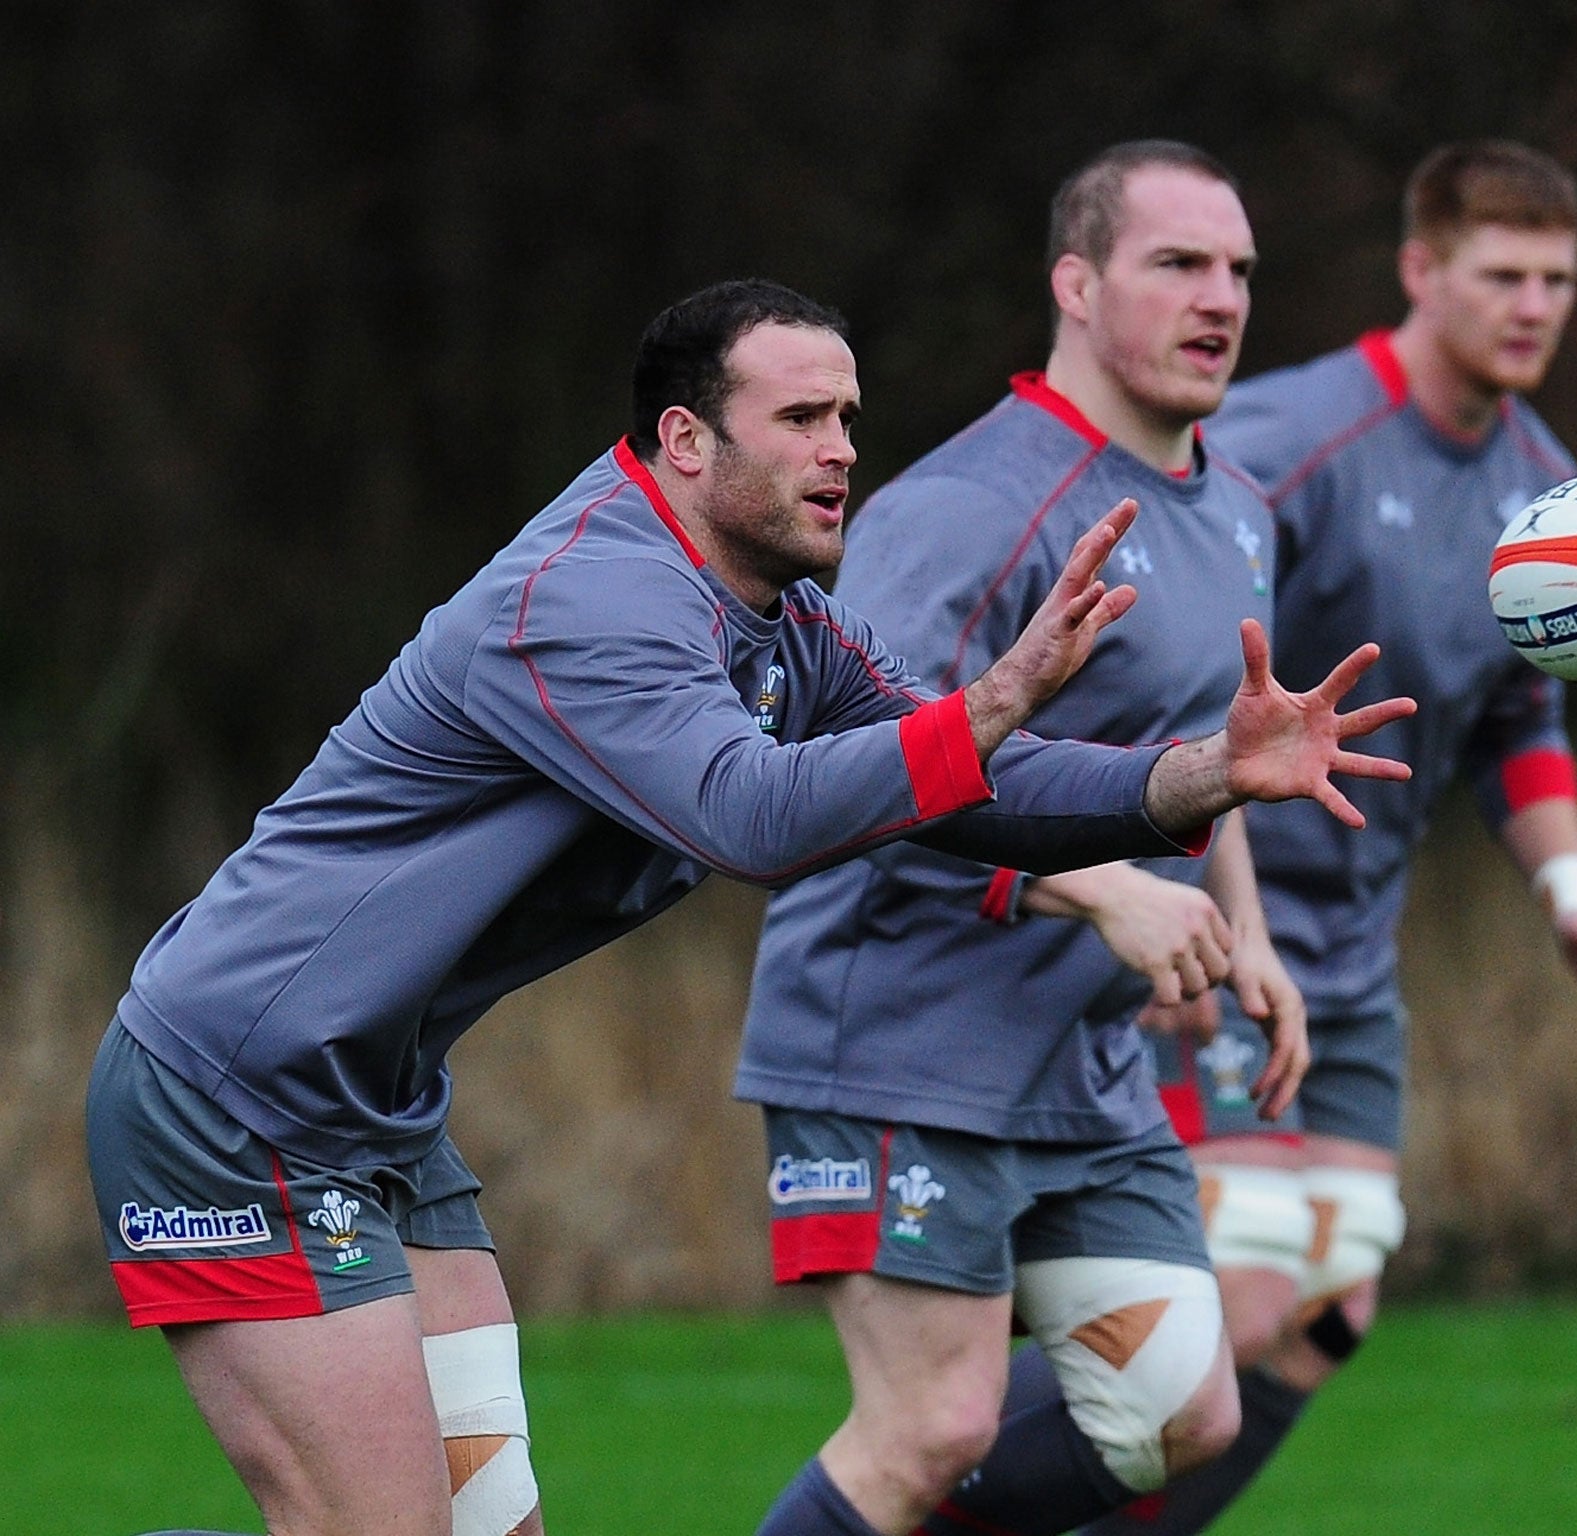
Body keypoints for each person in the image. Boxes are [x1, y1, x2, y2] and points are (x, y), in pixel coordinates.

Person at [87, 277, 1416, 1536]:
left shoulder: (781, 623)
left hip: (375, 1102)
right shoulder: (592, 599)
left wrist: (1203, 778)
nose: (840, 449)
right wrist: (996, 695)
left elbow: (966, 790)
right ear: (683, 440)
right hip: (234, 1094)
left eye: (846, 417)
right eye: (798, 420)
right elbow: (755, 818)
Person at [738, 144, 1413, 1536]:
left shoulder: (1231, 508)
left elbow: (1200, 756)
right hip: (898, 1040)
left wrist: (1251, 938)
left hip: (1079, 1064)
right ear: (1076, 283)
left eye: (1238, 270)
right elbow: (858, 773)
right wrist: (1106, 896)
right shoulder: (967, 507)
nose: (1220, 296)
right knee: (932, 1428)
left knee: (1183, 1407)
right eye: (1178, 263)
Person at [1066, 139, 1577, 1536]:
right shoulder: (1292, 437)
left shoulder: (1550, 490)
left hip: (1354, 956)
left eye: (1559, 280)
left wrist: (1576, 902)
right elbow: (1151, 637)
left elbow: (1522, 718)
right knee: (1253, 1283)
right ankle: (937, 1491)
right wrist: (1138, 889)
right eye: (1502, 274)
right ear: (1420, 271)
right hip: (1215, 924)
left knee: (1332, 1304)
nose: (1535, 305)